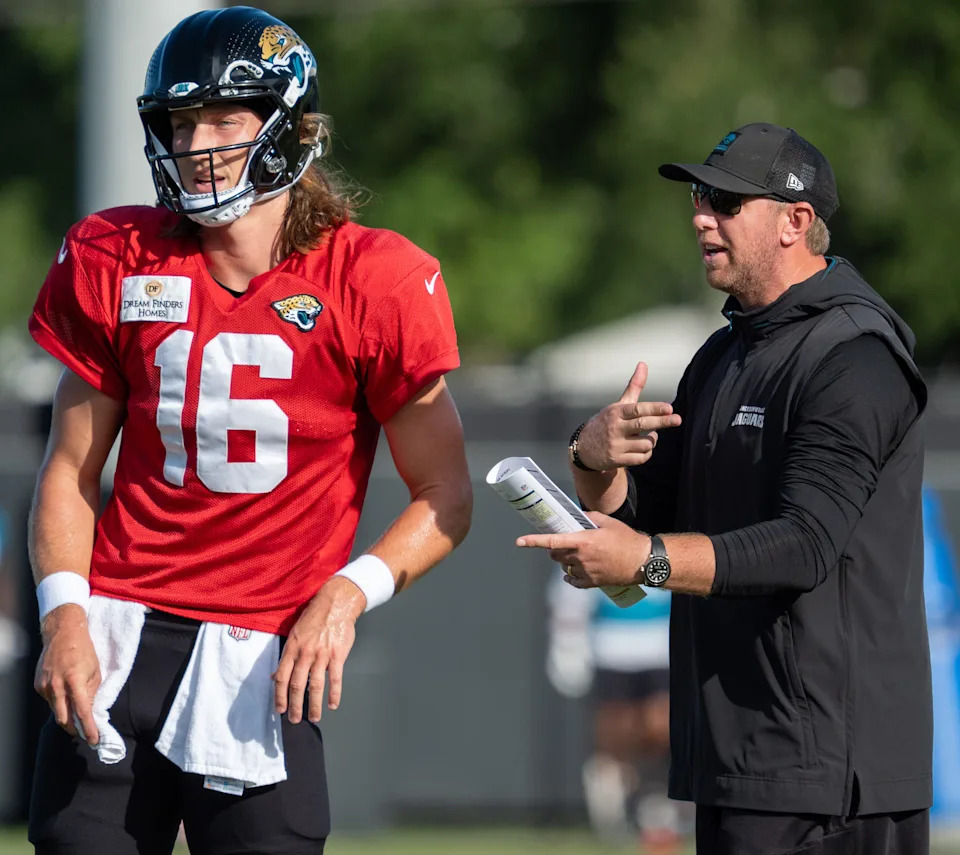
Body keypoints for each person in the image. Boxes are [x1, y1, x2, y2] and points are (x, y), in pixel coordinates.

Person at [26, 7, 472, 854]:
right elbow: (70, 468)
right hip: (117, 631)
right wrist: (65, 616)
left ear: (291, 128)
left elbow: (446, 493)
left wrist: (346, 594)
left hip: (267, 648)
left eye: (223, 120)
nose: (196, 144)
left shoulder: (374, 278)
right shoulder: (115, 253)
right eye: (179, 123)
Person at [517, 122, 931, 854]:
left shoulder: (855, 354)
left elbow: (804, 545)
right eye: (701, 198)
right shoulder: (723, 354)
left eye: (727, 202)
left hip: (831, 775)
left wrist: (645, 561)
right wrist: (593, 459)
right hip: (736, 758)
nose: (702, 217)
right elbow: (647, 513)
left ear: (794, 221)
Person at [545, 570, 684, 851]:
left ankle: (655, 800)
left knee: (660, 726)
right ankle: (614, 799)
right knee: (617, 731)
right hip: (611, 647)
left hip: (662, 646)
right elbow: (569, 590)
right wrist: (567, 643)